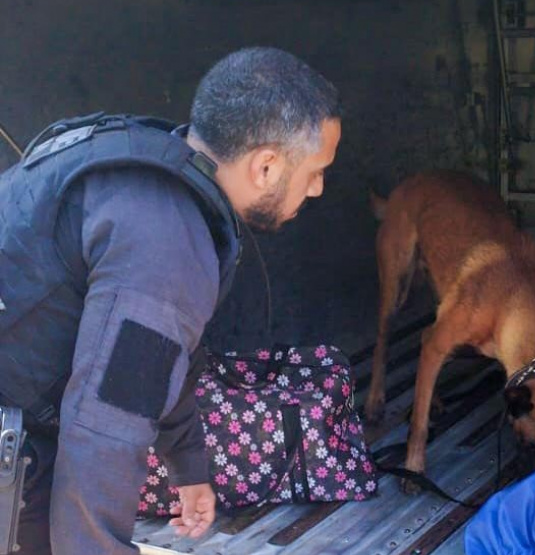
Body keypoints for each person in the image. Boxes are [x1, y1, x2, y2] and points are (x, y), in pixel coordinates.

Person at [0, 46, 341, 554]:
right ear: (266, 166)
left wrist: (187, 463)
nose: (317, 189)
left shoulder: (152, 163)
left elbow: (151, 355)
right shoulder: (165, 243)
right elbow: (104, 432)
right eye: (316, 170)